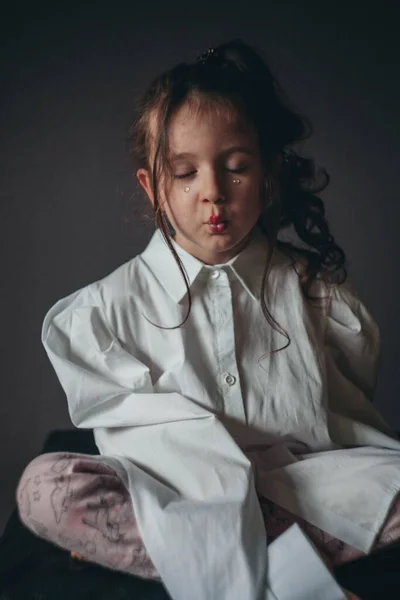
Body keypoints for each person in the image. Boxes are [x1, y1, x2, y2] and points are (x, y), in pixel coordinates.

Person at [15, 38, 400, 600]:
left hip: (301, 487)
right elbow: (125, 429)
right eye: (186, 173)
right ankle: (272, 567)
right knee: (44, 488)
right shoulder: (106, 308)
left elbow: (348, 402)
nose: (213, 193)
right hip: (177, 491)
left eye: (236, 167)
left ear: (266, 172)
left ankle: (223, 554)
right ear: (153, 187)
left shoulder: (315, 290)